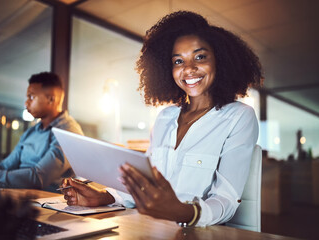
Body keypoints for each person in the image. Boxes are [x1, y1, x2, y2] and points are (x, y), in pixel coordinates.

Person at [62, 11, 262, 227]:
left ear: (219, 61)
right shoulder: (165, 117)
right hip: (147, 227)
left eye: (200, 56)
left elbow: (226, 200)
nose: (188, 68)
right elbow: (145, 183)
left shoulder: (238, 116)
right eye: (178, 61)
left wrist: (182, 211)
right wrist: (104, 197)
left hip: (194, 233)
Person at [0, 72, 83, 192]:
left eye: (31, 97)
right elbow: (5, 165)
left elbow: (39, 177)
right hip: (19, 195)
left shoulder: (69, 132)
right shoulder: (31, 132)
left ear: (51, 99)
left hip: (47, 203)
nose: (26, 103)